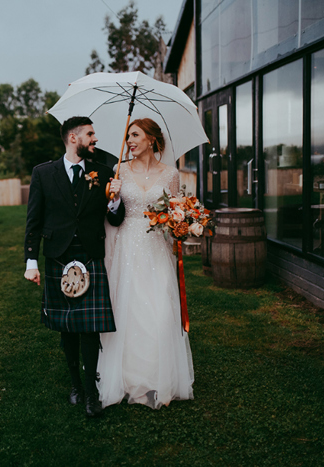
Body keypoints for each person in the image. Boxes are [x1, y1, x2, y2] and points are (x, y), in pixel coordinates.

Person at [24, 116, 125, 418]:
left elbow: (116, 219)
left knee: (90, 327)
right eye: (90, 134)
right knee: (67, 327)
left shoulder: (105, 172)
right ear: (72, 138)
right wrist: (31, 261)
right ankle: (75, 385)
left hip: (91, 254)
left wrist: (115, 198)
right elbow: (34, 221)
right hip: (57, 256)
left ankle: (91, 392)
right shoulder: (43, 173)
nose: (95, 138)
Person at [97, 118, 194, 409]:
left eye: (135, 135)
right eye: (128, 136)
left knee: (160, 311)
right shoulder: (119, 170)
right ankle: (129, 380)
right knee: (129, 310)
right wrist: (111, 196)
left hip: (156, 248)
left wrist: (182, 224)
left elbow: (176, 211)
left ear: (151, 139)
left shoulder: (171, 174)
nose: (130, 141)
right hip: (126, 245)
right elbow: (112, 214)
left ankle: (158, 378)